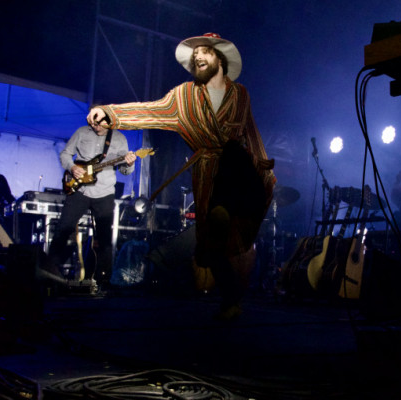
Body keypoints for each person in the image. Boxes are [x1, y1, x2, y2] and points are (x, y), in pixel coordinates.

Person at [87, 32, 276, 319]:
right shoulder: (182, 97)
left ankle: (226, 212)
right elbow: (148, 111)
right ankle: (231, 299)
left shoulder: (240, 94)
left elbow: (251, 132)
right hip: (208, 176)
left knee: (234, 158)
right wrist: (109, 113)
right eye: (195, 53)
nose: (198, 56)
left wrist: (264, 167)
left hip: (238, 171)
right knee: (210, 249)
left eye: (205, 51)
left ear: (220, 59)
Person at [48, 124, 137, 290]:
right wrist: (72, 167)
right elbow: (65, 154)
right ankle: (50, 270)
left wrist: (130, 164)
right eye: (92, 122)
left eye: (99, 122)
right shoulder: (81, 132)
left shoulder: (119, 138)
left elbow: (125, 171)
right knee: (63, 228)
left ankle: (104, 279)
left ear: (108, 121)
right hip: (79, 190)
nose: (95, 125)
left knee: (104, 237)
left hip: (104, 192)